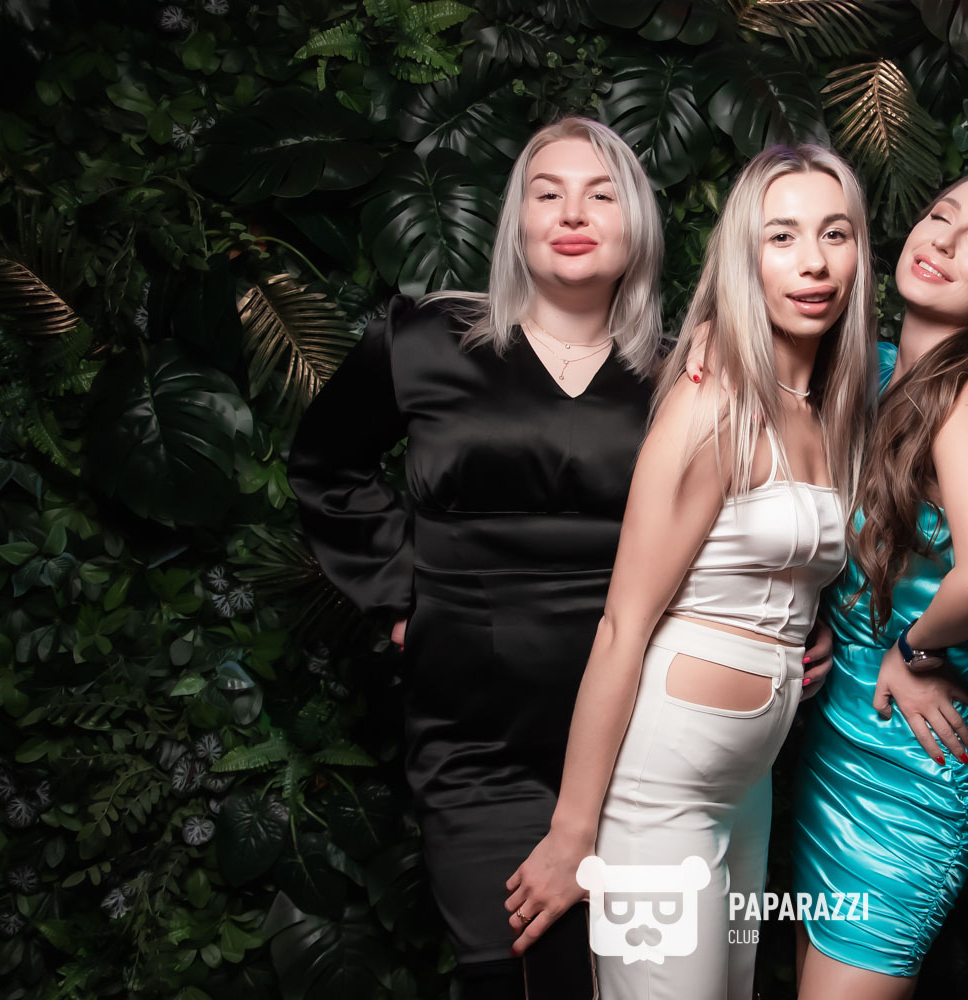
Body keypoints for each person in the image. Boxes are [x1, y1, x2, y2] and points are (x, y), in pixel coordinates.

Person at [288, 116, 664, 1000]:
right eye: (547, 192)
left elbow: (742, 524)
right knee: (507, 972)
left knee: (617, 979)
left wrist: (780, 632)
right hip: (474, 738)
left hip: (638, 737)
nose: (572, 213)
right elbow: (325, 464)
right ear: (515, 222)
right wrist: (398, 595)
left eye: (601, 194)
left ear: (638, 223)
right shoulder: (424, 337)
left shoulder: (682, 372)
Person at [504, 144, 876, 1000]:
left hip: (746, 787)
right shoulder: (714, 399)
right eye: (781, 237)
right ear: (745, 257)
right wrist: (573, 834)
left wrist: (813, 628)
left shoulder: (831, 405)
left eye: (836, 233)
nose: (813, 262)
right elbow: (623, 624)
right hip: (659, 791)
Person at [790, 172, 968, 999]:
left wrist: (912, 647)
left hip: (911, 762)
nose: (943, 239)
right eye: (942, 216)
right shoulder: (864, 369)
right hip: (834, 738)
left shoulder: (967, 398)